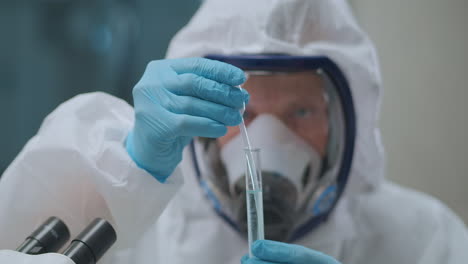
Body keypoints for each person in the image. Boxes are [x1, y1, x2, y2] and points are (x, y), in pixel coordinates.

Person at [0, 0, 467, 264]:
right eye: (241, 111)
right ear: (201, 125)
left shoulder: (424, 239)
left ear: (345, 123)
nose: (269, 136)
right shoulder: (137, 228)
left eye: (301, 111)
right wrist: (128, 170)